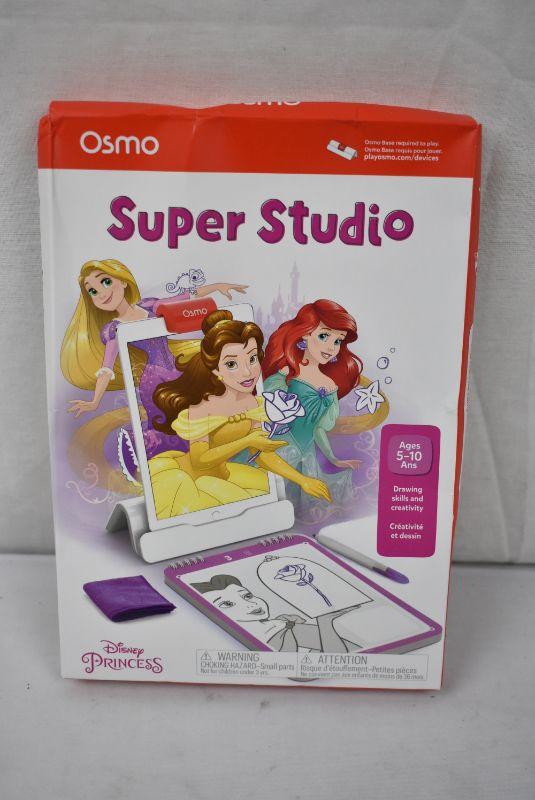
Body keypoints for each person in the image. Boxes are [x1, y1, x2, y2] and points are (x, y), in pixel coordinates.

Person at [60, 258, 247, 464]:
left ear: (123, 281)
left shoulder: (148, 305)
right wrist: (95, 401)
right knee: (169, 425)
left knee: (197, 416)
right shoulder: (114, 329)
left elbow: (185, 297)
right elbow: (106, 368)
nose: (102, 293)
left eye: (105, 282)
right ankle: (171, 465)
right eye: (93, 291)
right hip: (154, 381)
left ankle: (205, 459)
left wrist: (217, 286)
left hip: (178, 372)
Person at [148, 310, 331, 519]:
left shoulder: (251, 402)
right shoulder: (202, 408)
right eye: (232, 364)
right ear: (216, 370)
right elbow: (200, 460)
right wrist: (246, 441)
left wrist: (302, 480)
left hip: (225, 477)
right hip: (189, 483)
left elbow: (261, 453)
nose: (247, 372)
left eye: (252, 359)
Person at [262, 299, 388, 524]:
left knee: (299, 509)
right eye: (324, 336)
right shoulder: (287, 373)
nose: (331, 347)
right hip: (278, 449)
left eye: (338, 340)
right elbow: (266, 409)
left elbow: (318, 429)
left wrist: (334, 459)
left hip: (306, 457)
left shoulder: (330, 386)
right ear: (304, 335)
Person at [191, 574, 356, 652]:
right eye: (227, 604)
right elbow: (337, 659)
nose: (250, 604)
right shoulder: (275, 635)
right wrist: (325, 623)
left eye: (247, 596)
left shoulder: (278, 626)